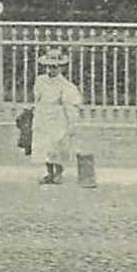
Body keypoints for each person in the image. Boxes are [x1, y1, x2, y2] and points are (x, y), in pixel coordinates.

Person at [32, 48, 82, 185]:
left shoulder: (65, 85)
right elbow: (37, 97)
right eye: (49, 67)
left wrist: (71, 122)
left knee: (58, 144)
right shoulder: (40, 80)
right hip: (43, 114)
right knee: (45, 145)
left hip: (58, 116)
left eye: (54, 67)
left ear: (60, 68)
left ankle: (58, 173)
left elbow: (70, 104)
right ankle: (49, 172)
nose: (51, 70)